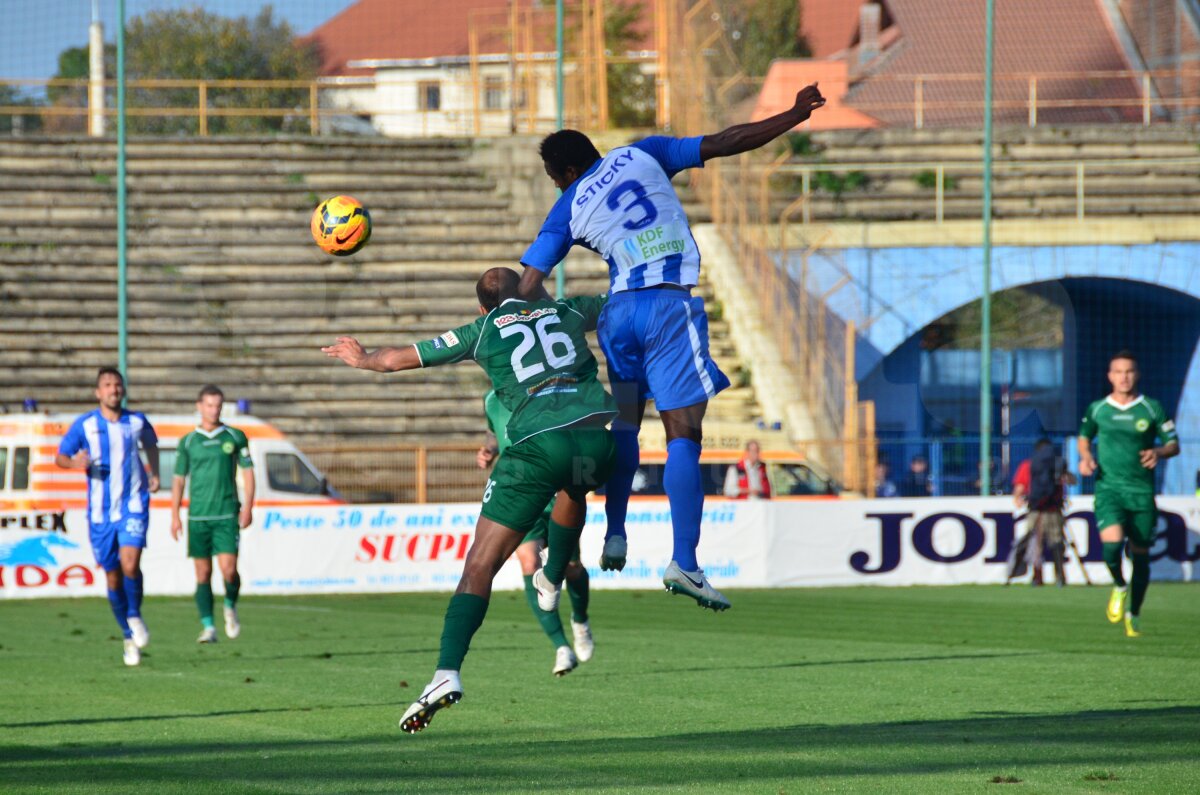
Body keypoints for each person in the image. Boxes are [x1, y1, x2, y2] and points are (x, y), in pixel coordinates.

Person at [516, 85, 827, 611]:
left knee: (627, 424)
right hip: (666, 305)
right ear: (593, 153)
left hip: (619, 316)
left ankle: (616, 532)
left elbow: (526, 287)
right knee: (683, 432)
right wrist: (794, 114)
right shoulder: (644, 152)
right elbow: (727, 141)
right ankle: (685, 561)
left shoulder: (566, 208)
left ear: (563, 174)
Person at [323, 267, 616, 733]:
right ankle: (553, 575)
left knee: (479, 566)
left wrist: (363, 359)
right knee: (575, 488)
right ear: (530, 289)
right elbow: (622, 302)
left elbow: (400, 358)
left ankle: (446, 671)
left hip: (537, 446)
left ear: (482, 307)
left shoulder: (482, 329)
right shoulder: (566, 309)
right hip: (598, 438)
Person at [477, 389, 594, 676]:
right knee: (529, 561)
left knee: (570, 568)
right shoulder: (491, 398)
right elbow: (495, 431)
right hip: (520, 493)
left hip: (557, 493)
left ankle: (580, 620)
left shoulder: (548, 391)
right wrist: (490, 449)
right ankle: (561, 647)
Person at [54, 367, 160, 666]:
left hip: (133, 504)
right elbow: (60, 457)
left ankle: (135, 614)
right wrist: (75, 463)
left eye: (117, 384)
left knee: (131, 563)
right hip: (100, 513)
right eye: (107, 385)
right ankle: (127, 635)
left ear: (123, 390)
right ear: (98, 392)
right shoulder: (85, 425)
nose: (113, 389)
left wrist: (154, 473)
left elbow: (151, 444)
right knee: (113, 575)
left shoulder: (137, 421)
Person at [1079, 351, 1179, 637]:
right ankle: (1119, 585)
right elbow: (1084, 438)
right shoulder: (1099, 408)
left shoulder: (1151, 408)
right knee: (1110, 546)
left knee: (1141, 556)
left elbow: (1173, 444)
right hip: (1109, 488)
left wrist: (1158, 451)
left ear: (1137, 374)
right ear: (1110, 376)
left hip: (1141, 492)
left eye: (1129, 371)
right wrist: (1085, 457)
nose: (1124, 377)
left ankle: (1134, 613)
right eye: (1118, 372)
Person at [170, 385, 255, 643]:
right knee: (203, 573)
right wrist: (174, 514)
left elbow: (249, 473)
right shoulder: (188, 441)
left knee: (229, 570)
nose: (213, 409)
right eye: (209, 404)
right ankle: (208, 626)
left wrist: (249, 506)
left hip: (227, 514)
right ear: (199, 406)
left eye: (218, 405)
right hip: (198, 517)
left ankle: (230, 604)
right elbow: (178, 479)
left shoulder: (235, 436)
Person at [1012, 439, 1075, 587]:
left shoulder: (1028, 465)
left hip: (1035, 509)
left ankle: (1037, 577)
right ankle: (1060, 577)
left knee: (1034, 543)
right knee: (1057, 542)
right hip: (1054, 510)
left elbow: (1020, 487)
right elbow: (1070, 480)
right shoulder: (1056, 464)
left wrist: (1017, 498)